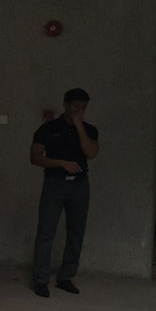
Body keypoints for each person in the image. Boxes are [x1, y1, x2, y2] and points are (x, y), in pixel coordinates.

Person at [30, 88, 99, 297]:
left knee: (76, 232)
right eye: (75, 107)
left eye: (83, 108)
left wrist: (79, 125)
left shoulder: (89, 129)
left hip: (80, 186)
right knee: (46, 232)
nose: (79, 111)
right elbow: (35, 157)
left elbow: (91, 153)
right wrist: (61, 163)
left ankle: (66, 277)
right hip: (55, 183)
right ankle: (40, 280)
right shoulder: (48, 128)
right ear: (66, 105)